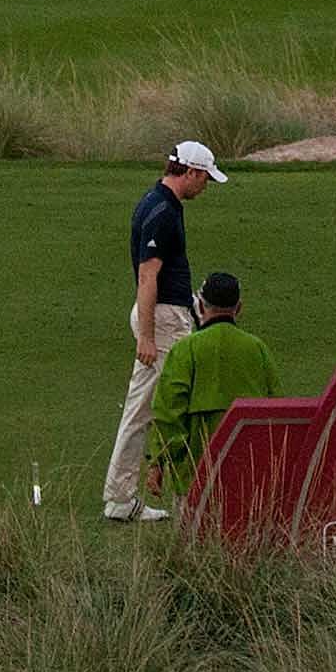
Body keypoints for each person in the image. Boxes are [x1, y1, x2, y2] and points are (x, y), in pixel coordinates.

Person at [105, 143, 226, 523]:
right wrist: (146, 335)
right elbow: (148, 275)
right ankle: (192, 495)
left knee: (139, 411)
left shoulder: (160, 203)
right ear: (189, 172)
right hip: (163, 320)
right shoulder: (161, 212)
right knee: (186, 403)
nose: (206, 184)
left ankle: (120, 498)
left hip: (164, 315)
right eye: (204, 177)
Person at [140, 270, 278, 513]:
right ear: (239, 308)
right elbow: (277, 410)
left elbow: (169, 412)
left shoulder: (186, 350)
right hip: (250, 476)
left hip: (195, 476)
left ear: (201, 306)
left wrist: (158, 462)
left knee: (193, 545)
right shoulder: (258, 349)